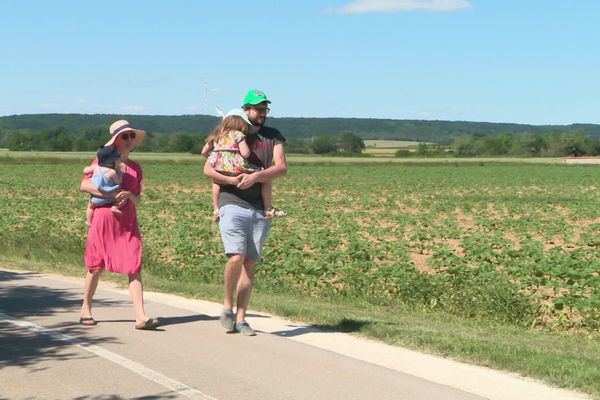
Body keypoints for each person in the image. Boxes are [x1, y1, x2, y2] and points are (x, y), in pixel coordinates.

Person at [203, 89, 287, 335]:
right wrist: (230, 182)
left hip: (259, 208)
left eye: (265, 109)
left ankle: (241, 318)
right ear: (245, 110)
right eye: (258, 109)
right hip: (232, 202)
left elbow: (281, 167)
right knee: (236, 257)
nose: (262, 113)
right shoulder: (232, 132)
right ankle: (227, 306)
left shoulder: (273, 136)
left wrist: (256, 177)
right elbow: (208, 169)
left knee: (249, 263)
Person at [79, 119, 160, 330]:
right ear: (116, 139)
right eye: (125, 136)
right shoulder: (103, 160)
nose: (129, 139)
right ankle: (86, 307)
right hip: (104, 218)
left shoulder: (135, 168)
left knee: (134, 264)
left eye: (132, 135)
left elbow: (139, 200)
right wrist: (112, 193)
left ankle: (141, 316)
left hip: (127, 221)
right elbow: (84, 185)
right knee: (95, 266)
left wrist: (129, 194)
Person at [202, 108, 286, 221]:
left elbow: (204, 152)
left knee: (216, 182)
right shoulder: (238, 134)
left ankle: (217, 208)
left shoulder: (217, 135)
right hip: (236, 166)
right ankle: (268, 208)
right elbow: (246, 153)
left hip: (220, 166)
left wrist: (216, 158)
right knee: (263, 175)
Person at [83, 146, 123, 227]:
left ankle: (89, 221)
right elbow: (118, 182)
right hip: (110, 199)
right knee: (121, 196)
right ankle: (115, 207)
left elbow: (85, 171)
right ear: (110, 162)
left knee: (90, 208)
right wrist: (120, 172)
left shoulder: (96, 167)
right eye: (117, 160)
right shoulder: (112, 172)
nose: (118, 162)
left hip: (95, 199)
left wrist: (87, 168)